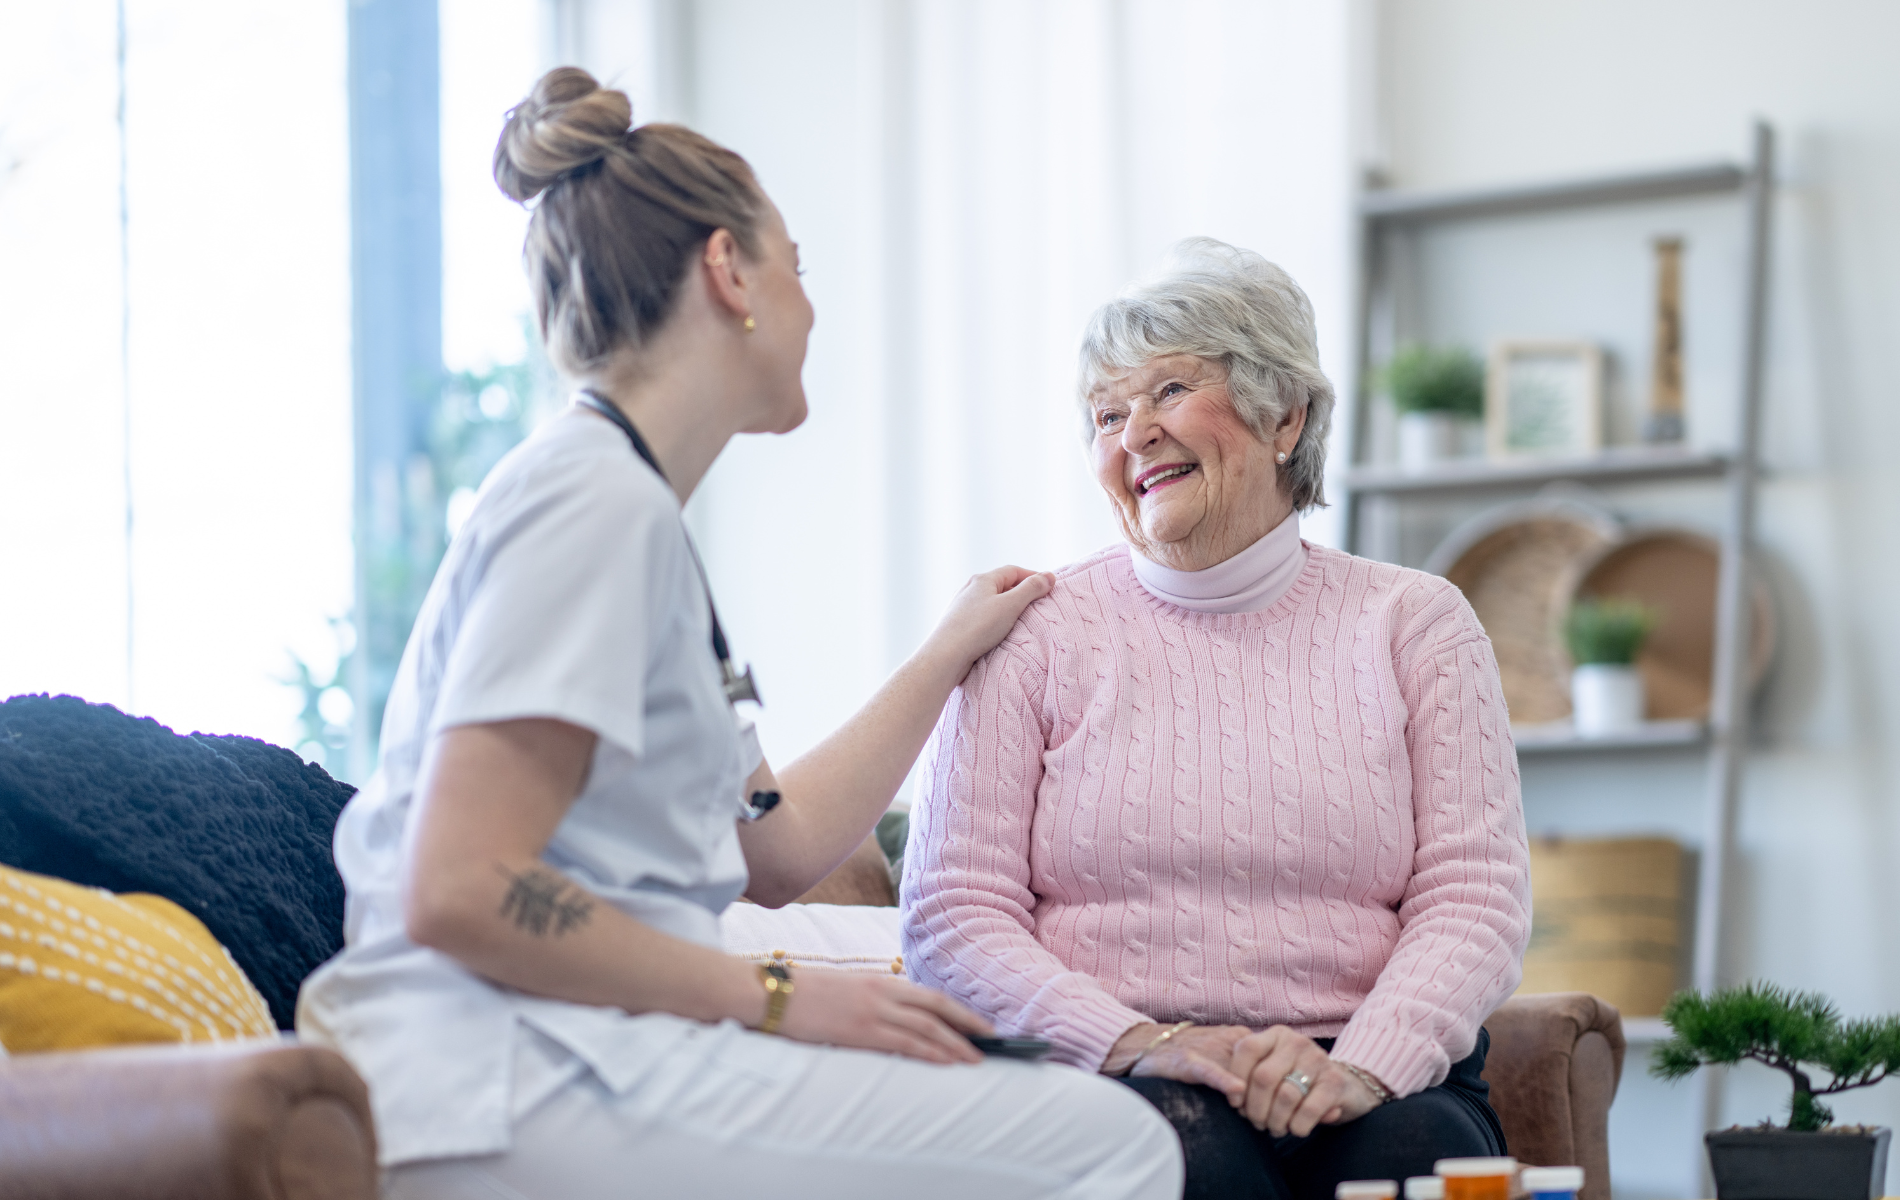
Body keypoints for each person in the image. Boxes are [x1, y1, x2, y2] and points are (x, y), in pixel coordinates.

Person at [296, 67, 1182, 1200]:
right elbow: (462, 886)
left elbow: (777, 847)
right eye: (796, 269)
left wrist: (948, 651)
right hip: (499, 1070)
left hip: (563, 1051)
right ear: (728, 272)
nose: (809, 308)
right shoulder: (592, 507)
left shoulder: (627, 512)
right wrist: (786, 999)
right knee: (1110, 1145)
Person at [900, 238, 1532, 1200]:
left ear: (1286, 412)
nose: (1133, 434)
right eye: (1106, 414)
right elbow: (951, 915)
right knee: (1192, 1159)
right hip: (1116, 1065)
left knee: (1411, 1159)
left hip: (1368, 1063)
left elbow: (1474, 897)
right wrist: (1140, 1042)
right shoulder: (1032, 631)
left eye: (1165, 393)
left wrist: (1362, 1064)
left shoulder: (1416, 622)